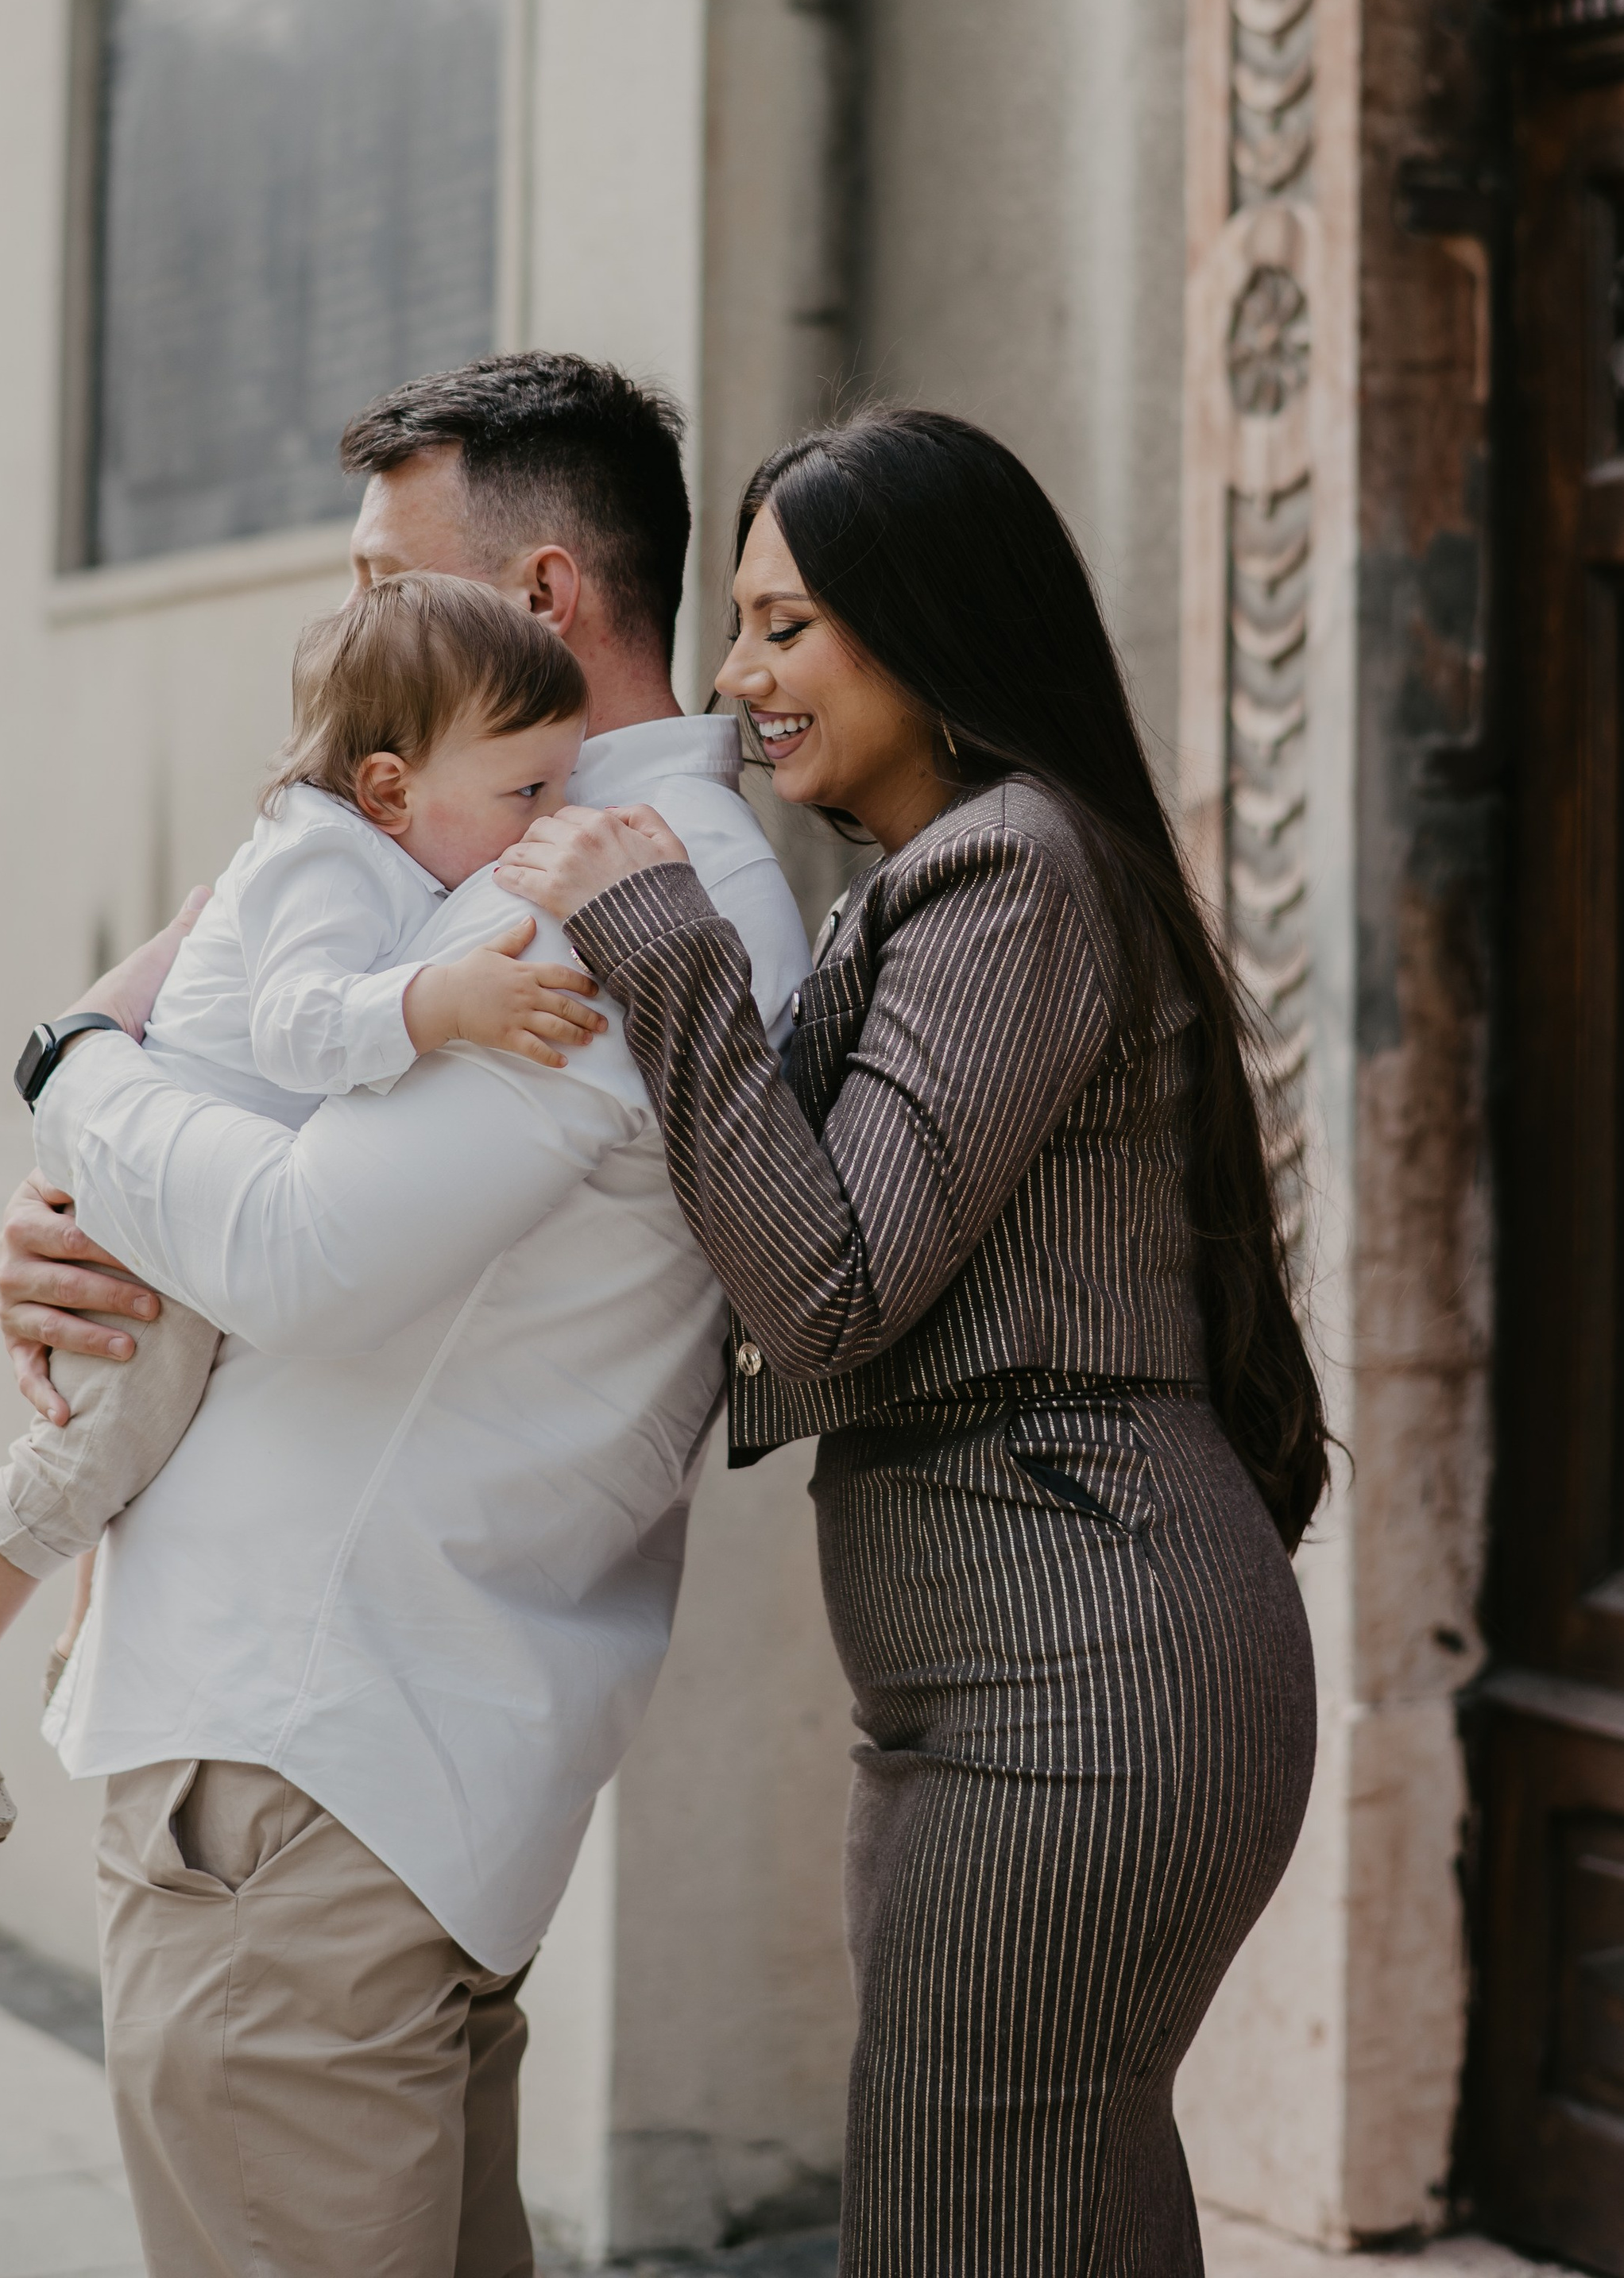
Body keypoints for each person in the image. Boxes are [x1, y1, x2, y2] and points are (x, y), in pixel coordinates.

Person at [0, 354, 811, 2278]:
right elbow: (228, 1076)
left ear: (529, 601)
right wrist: (64, 1184)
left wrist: (65, 1074)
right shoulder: (450, 860)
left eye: (377, 584)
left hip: (309, 1769)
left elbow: (284, 1249)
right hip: (361, 1760)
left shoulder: (594, 887)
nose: (343, 638)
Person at [494, 408, 1326, 2278]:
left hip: (1077, 1680)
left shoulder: (1010, 867)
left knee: (963, 2220)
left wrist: (651, 926)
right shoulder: (958, 877)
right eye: (736, 626)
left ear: (927, 627)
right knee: (1058, 2208)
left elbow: (830, 1285)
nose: (733, 676)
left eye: (783, 626)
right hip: (1023, 1672)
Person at [0, 576, 599, 1851]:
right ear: (387, 787)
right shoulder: (327, 858)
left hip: (178, 1200)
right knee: (90, 1453)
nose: (554, 814)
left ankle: (87, 1643)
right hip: (151, 1214)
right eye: (526, 792)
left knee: (158, 1439)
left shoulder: (387, 850)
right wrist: (448, 1005)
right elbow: (299, 1028)